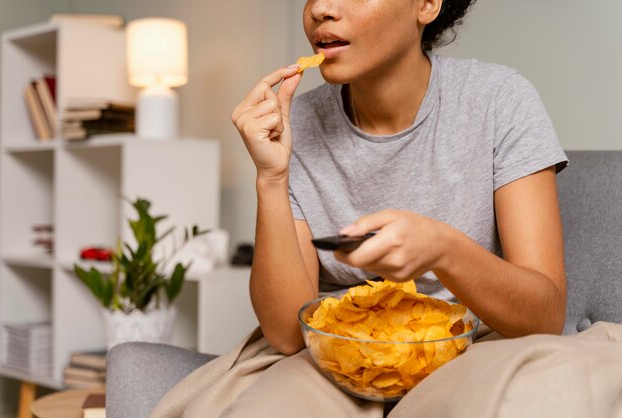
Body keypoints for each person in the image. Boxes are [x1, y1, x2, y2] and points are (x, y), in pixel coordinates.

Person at [152, 0, 568, 416]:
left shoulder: (500, 100)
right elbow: (285, 335)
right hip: (336, 353)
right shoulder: (292, 122)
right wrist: (271, 178)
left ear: (426, 5)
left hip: (473, 346)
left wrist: (443, 249)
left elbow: (545, 314)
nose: (321, 9)